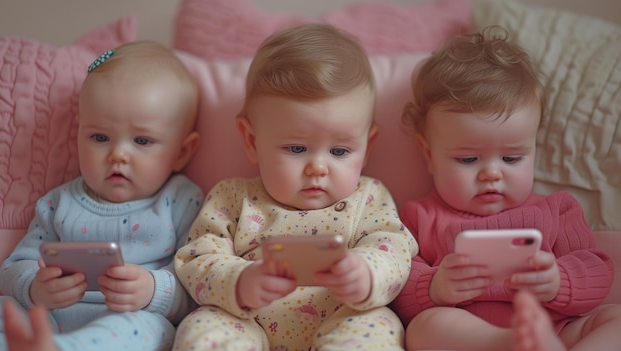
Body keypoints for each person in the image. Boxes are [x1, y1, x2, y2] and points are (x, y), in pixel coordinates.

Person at [172, 23, 417, 351]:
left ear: (367, 146)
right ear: (252, 141)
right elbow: (198, 256)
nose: (318, 167)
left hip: (343, 316)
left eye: (340, 151)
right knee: (202, 328)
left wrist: (368, 273)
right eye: (297, 149)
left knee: (377, 329)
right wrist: (239, 281)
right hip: (247, 321)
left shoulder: (369, 197)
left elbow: (396, 248)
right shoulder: (232, 197)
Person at [390, 26, 621, 351]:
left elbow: (597, 270)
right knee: (425, 327)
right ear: (428, 155)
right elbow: (397, 283)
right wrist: (434, 287)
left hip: (556, 330)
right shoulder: (420, 217)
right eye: (468, 159)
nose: (491, 174)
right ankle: (509, 343)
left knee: (615, 319)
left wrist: (559, 281)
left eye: (512, 157)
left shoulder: (558, 209)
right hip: (475, 337)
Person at [0, 40, 203, 351]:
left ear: (181, 152)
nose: (118, 154)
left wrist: (153, 290)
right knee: (3, 310)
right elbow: (14, 266)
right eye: (100, 137)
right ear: (79, 135)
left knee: (145, 330)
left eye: (142, 141)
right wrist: (34, 288)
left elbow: (200, 283)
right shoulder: (58, 202)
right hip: (49, 319)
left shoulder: (182, 201)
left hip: (134, 319)